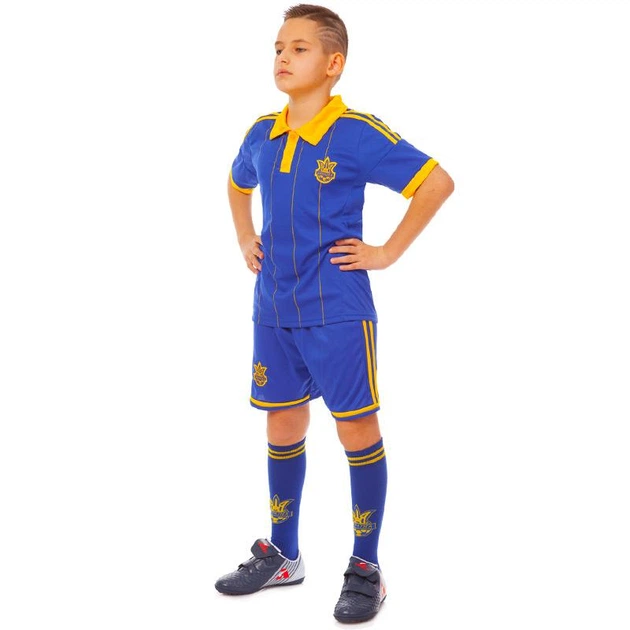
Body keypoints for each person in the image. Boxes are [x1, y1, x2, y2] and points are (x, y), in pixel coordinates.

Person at [215, 3, 454, 623]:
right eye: (277, 47)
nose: (282, 57)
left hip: (338, 310)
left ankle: (366, 566)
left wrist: (386, 252)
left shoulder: (356, 133)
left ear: (333, 63)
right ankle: (284, 554)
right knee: (282, 424)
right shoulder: (261, 133)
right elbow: (236, 183)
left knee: (355, 430)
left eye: (298, 48)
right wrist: (244, 236)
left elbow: (436, 183)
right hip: (274, 307)